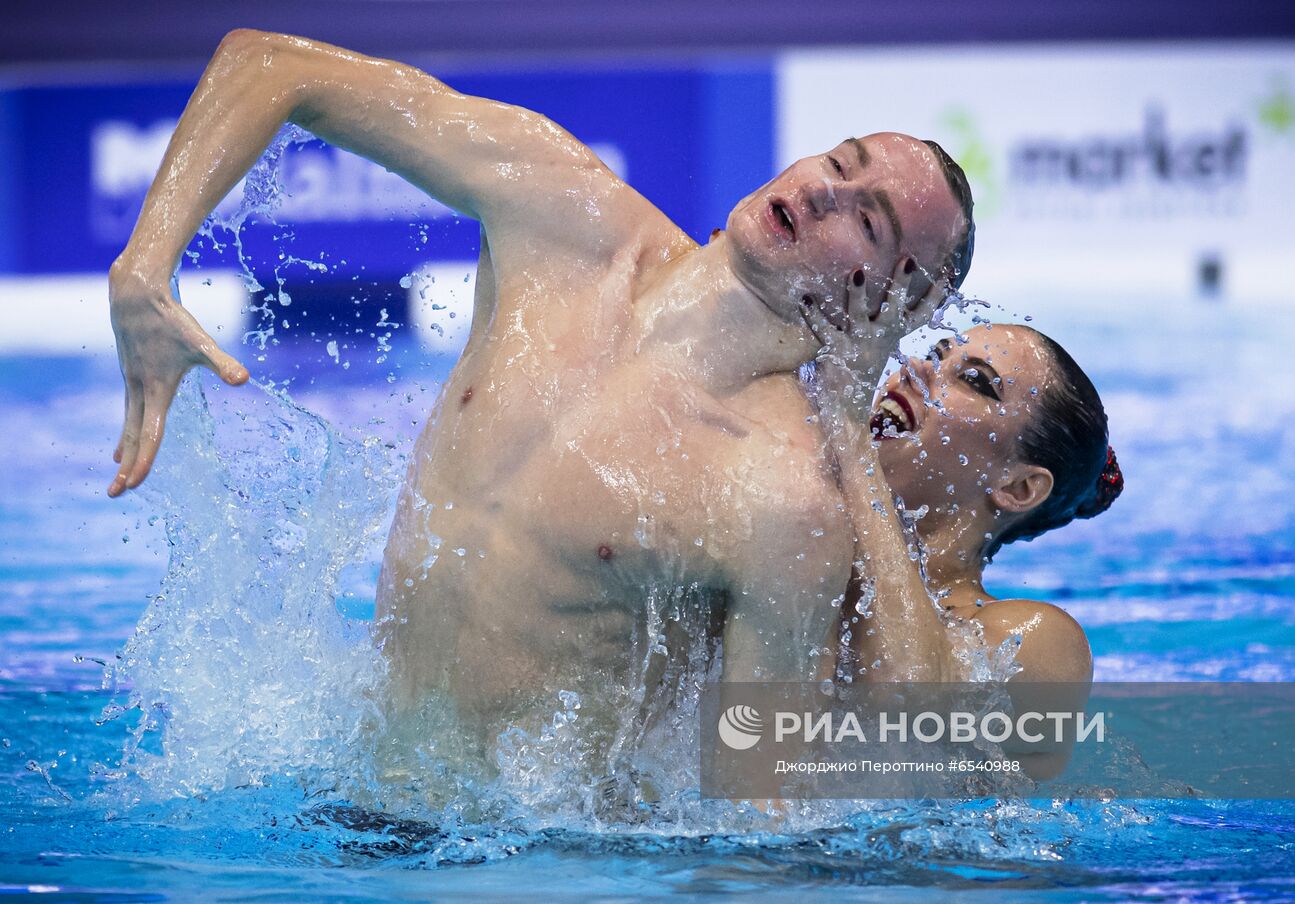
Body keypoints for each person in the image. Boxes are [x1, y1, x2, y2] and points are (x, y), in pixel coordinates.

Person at [104, 30, 975, 761]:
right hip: (353, 807)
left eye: (866, 219)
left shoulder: (784, 496)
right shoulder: (561, 209)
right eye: (839, 161)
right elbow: (270, 65)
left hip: (533, 868)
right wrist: (144, 265)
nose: (822, 190)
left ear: (899, 299)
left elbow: (759, 815)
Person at [807, 320, 1122, 776]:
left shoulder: (1037, 642)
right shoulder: (799, 568)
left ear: (1018, 487)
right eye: (934, 356)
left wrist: (850, 439)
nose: (915, 369)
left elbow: (901, 715)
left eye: (974, 379)